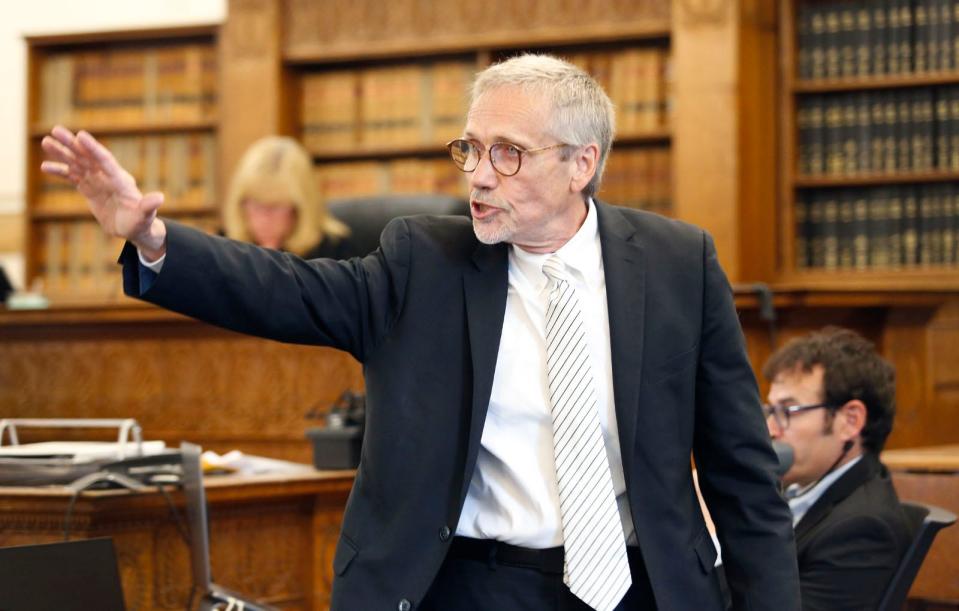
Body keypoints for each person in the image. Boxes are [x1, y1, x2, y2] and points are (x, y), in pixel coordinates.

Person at [41, 54, 799, 611]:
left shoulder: (676, 263)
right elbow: (282, 289)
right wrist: (154, 240)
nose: (477, 175)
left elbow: (740, 472)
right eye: (470, 148)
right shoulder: (423, 263)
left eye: (508, 154)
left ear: (581, 165)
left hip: (644, 585)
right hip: (469, 584)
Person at [762, 326, 912, 610]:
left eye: (788, 412)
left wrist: (712, 535)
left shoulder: (864, 529)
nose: (770, 429)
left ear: (850, 421)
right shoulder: (797, 489)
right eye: (770, 411)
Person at [222, 135, 355, 258]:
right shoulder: (224, 247)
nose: (264, 219)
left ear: (302, 207)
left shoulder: (334, 250)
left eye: (275, 207)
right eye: (255, 205)